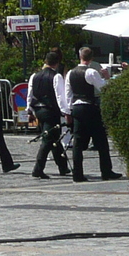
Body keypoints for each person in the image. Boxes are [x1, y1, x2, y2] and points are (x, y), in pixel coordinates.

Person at [68, 47, 123, 182]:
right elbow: (104, 88)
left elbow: (68, 94)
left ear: (79, 57)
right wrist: (107, 77)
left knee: (78, 142)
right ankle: (106, 171)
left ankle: (77, 173)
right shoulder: (91, 72)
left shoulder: (71, 72)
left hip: (76, 107)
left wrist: (68, 110)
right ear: (91, 59)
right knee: (101, 141)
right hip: (90, 107)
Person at [28, 51, 71, 179]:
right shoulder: (56, 76)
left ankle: (63, 166)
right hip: (50, 110)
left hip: (38, 110)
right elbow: (60, 96)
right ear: (57, 63)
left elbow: (30, 94)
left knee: (54, 138)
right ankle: (38, 168)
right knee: (47, 140)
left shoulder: (34, 76)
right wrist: (66, 112)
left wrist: (29, 110)